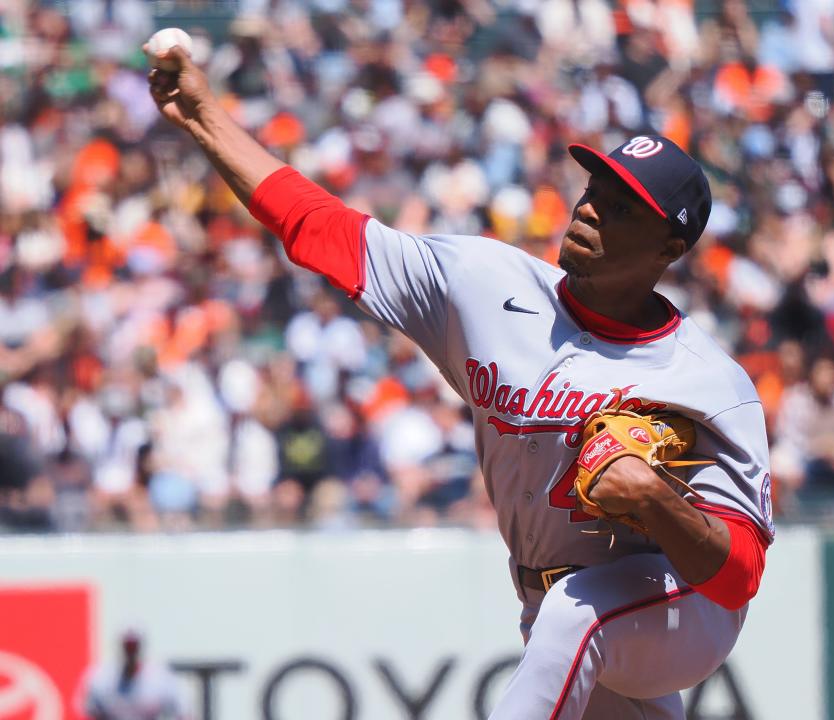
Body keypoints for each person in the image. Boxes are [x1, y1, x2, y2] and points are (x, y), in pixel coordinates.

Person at [146, 44, 774, 720]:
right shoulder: (485, 286)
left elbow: (739, 575)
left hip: (682, 610)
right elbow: (320, 229)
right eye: (594, 191)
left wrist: (653, 497)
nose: (590, 210)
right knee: (568, 621)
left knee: (576, 613)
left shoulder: (709, 381)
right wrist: (204, 116)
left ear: (669, 250)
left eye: (622, 208)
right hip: (555, 614)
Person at [83, 630, 187, 720]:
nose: (131, 652)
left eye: (134, 647)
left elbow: (183, 713)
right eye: (128, 647)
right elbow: (88, 713)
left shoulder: (160, 678)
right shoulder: (101, 679)